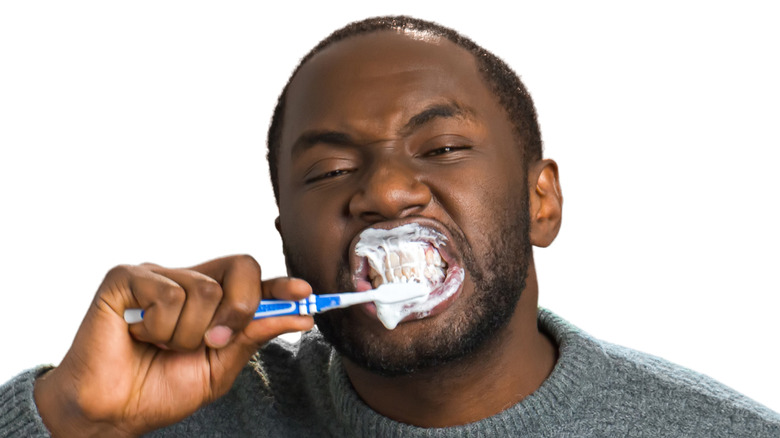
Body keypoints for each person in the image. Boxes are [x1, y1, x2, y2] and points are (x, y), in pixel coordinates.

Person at [2, 15, 779, 437]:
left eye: (440, 148)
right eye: (330, 171)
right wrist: (68, 420)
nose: (387, 191)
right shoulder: (154, 423)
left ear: (542, 202)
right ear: (286, 237)